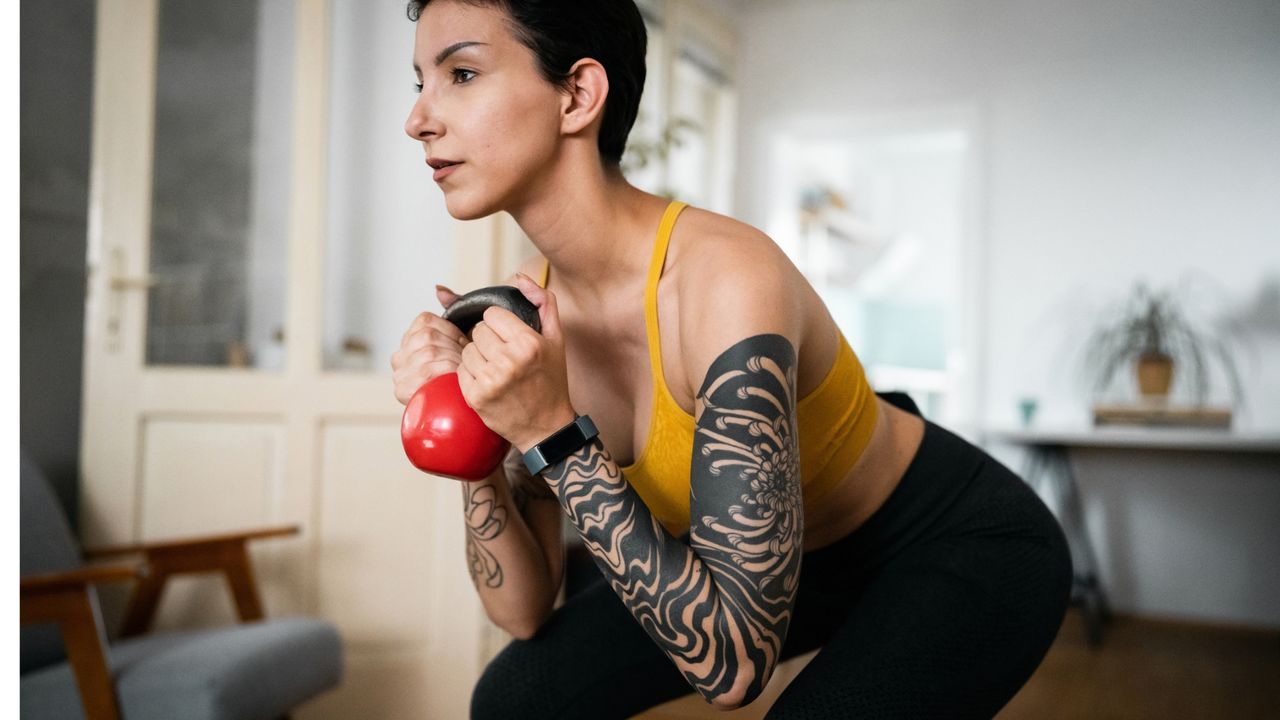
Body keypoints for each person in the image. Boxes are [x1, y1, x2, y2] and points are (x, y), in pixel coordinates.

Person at [390, 1, 1073, 717]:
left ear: (577, 95)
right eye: (419, 85)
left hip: (951, 541)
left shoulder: (724, 280)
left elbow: (734, 669)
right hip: (770, 568)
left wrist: (550, 433)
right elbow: (522, 612)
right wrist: (476, 413)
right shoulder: (526, 309)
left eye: (461, 73)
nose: (419, 120)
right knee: (515, 700)